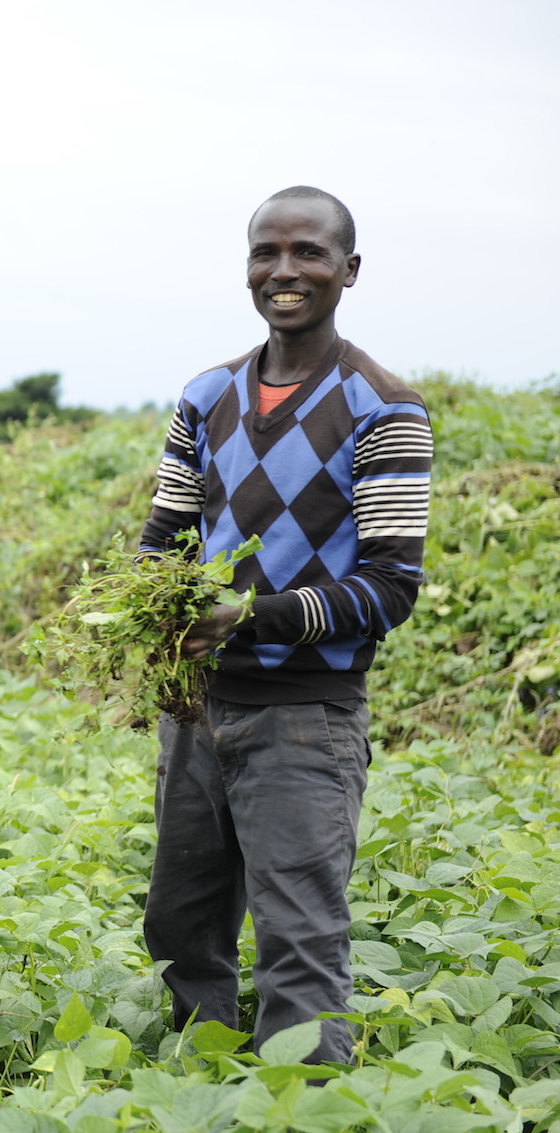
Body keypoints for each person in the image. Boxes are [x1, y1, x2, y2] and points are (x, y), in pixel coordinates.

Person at [138, 187, 432, 1063]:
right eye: (267, 253)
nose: (285, 271)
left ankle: (304, 1109)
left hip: (307, 715)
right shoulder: (209, 393)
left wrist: (246, 617)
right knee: (183, 925)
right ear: (248, 268)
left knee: (299, 941)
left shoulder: (383, 405)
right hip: (196, 708)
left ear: (349, 270)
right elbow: (164, 537)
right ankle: (205, 1083)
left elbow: (389, 587)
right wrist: (159, 606)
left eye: (308, 253)